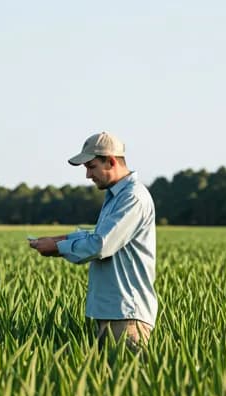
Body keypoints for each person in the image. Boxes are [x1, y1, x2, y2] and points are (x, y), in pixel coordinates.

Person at [29, 132, 157, 353]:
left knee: (126, 382)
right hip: (113, 313)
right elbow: (97, 235)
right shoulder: (116, 197)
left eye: (91, 166)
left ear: (111, 161)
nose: (88, 175)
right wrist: (61, 239)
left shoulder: (132, 197)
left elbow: (101, 244)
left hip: (127, 315)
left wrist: (57, 247)